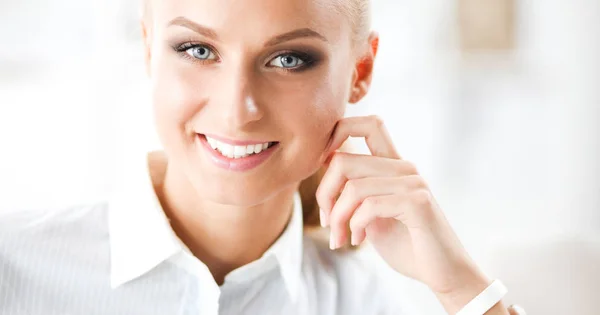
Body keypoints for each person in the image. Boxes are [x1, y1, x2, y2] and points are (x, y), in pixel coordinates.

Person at [0, 0, 526, 314]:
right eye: (198, 50)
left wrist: (464, 289)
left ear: (360, 71)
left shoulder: (382, 303)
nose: (237, 111)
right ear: (147, 49)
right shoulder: (15, 271)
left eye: (288, 59)